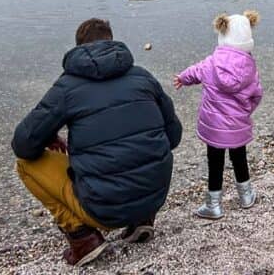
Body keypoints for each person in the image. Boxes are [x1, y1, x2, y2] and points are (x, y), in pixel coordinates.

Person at [12, 18, 182, 266]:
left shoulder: (67, 87)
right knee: (137, 152)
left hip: (103, 210)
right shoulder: (143, 78)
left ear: (79, 48)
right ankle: (141, 219)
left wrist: (49, 135)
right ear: (111, 42)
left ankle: (82, 236)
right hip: (154, 196)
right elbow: (173, 137)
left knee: (26, 165)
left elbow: (23, 145)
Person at [173, 10, 263, 220]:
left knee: (215, 162)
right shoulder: (250, 67)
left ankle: (213, 205)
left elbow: (195, 71)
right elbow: (257, 94)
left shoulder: (212, 62)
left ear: (223, 34)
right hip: (238, 125)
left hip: (214, 126)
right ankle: (247, 196)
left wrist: (182, 79)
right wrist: (245, 112)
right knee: (239, 158)